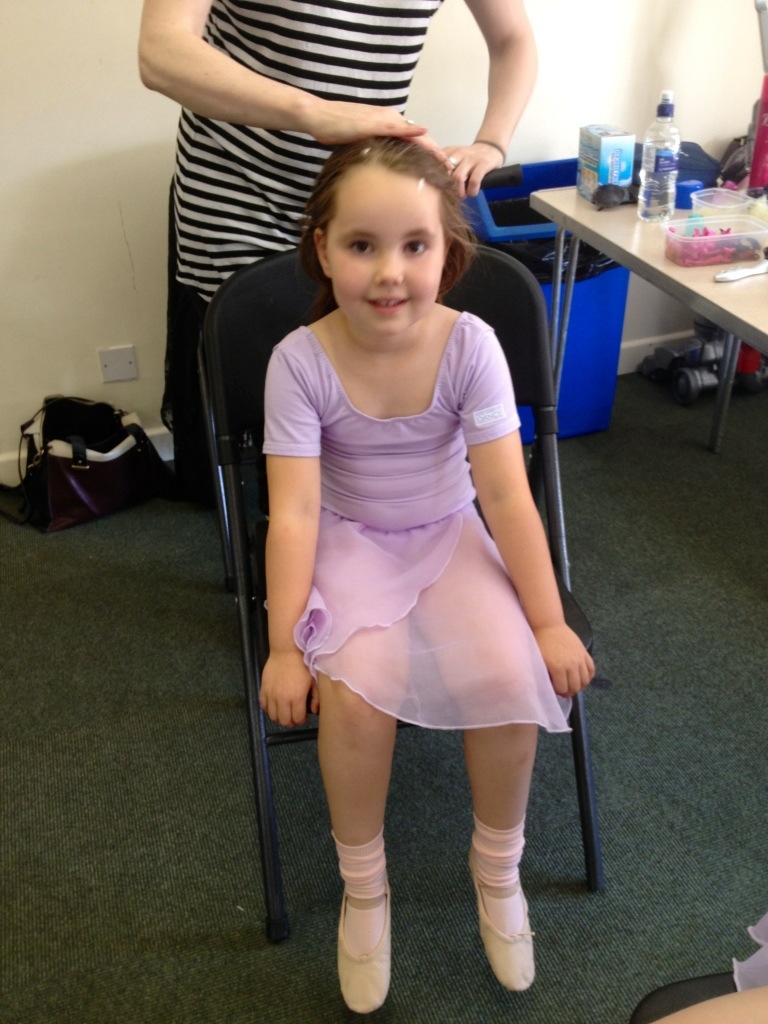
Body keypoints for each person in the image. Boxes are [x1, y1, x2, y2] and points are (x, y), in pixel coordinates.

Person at [259, 137, 595, 1014]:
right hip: (349, 542)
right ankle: (364, 887)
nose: (389, 273)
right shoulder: (299, 360)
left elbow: (507, 498)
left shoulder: (469, 344)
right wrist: (284, 646)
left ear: (448, 252)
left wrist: (547, 622)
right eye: (361, 245)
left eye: (415, 245)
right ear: (323, 248)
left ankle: (498, 870)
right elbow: (295, 515)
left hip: (450, 535)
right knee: (357, 700)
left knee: (508, 676)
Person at [138, 0, 538, 504]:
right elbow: (161, 50)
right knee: (279, 427)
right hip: (241, 202)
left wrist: (491, 143)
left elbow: (512, 39)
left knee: (369, 400)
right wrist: (314, 112)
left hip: (371, 214)